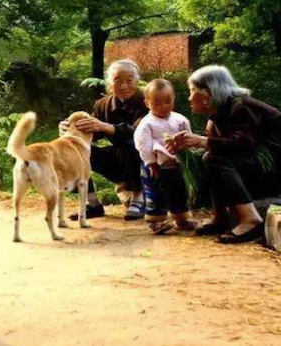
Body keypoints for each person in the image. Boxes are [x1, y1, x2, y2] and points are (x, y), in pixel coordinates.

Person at [166, 65, 281, 244]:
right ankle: (221, 218)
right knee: (209, 157)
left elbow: (243, 144)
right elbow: (223, 147)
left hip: (273, 168)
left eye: (192, 91)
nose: (189, 97)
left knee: (213, 158)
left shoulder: (241, 106)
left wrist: (203, 141)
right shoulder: (218, 115)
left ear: (208, 93)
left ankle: (251, 219)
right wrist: (186, 148)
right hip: (260, 167)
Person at [59, 59, 147, 220]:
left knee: (134, 144)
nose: (124, 85)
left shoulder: (147, 100)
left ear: (137, 80)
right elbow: (92, 131)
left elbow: (139, 133)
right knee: (73, 152)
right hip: (118, 160)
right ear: (109, 83)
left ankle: (138, 198)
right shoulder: (103, 104)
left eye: (129, 80)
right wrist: (71, 129)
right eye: (117, 81)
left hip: (144, 162)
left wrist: (108, 127)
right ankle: (92, 203)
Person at [134, 79, 197, 234]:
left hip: (176, 164)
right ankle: (156, 221)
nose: (163, 107)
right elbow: (143, 145)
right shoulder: (146, 124)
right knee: (155, 193)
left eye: (168, 101)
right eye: (157, 103)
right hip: (156, 165)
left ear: (174, 99)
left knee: (179, 191)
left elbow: (189, 138)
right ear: (147, 103)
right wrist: (151, 163)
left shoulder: (180, 120)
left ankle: (181, 217)